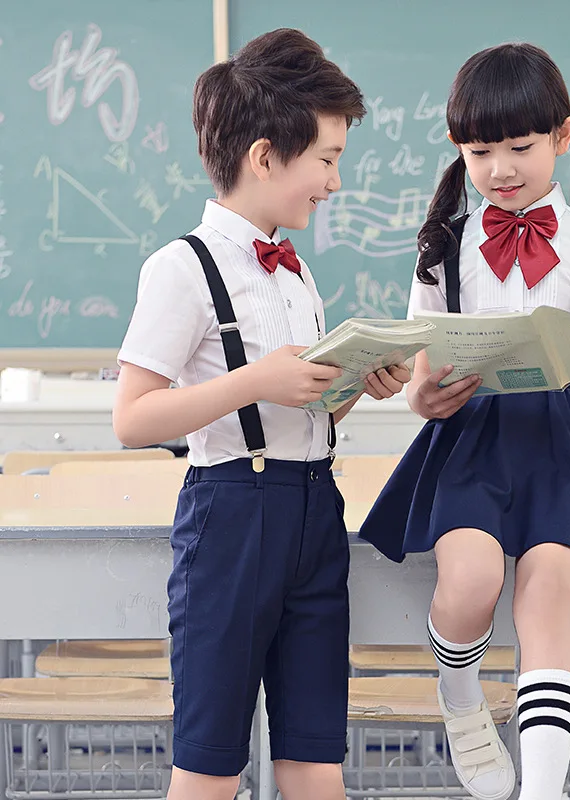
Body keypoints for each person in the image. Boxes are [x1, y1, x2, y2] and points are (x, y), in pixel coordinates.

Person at [359, 42, 570, 800]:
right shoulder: (442, 250)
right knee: (470, 579)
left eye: (520, 147)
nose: (500, 168)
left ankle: (542, 789)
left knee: (547, 594)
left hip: (563, 446)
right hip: (470, 442)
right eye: (479, 150)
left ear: (563, 136)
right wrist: (422, 400)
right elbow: (418, 378)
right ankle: (462, 705)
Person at [113, 29, 409, 800]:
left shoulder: (295, 269)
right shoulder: (182, 268)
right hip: (232, 515)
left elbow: (293, 399)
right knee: (211, 763)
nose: (335, 183)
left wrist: (353, 383)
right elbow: (134, 418)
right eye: (328, 160)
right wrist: (254, 382)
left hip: (315, 509)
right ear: (266, 156)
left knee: (315, 757)